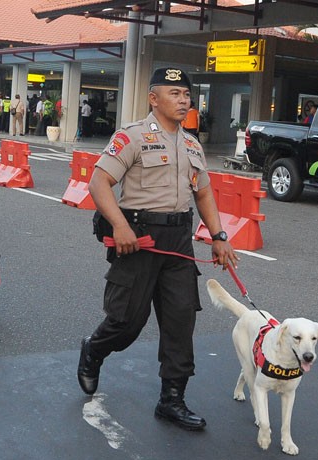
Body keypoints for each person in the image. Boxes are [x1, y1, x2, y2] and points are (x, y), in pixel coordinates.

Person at [77, 67, 239, 431]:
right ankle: (94, 349)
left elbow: (203, 193)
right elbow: (99, 182)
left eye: (186, 94)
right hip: (138, 239)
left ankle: (172, 400)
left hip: (178, 241)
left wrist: (218, 235)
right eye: (175, 93)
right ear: (154, 98)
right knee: (126, 323)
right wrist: (120, 226)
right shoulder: (132, 137)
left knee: (181, 320)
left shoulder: (193, 144)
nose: (184, 101)